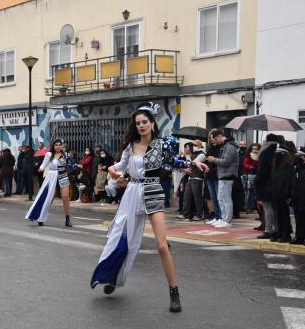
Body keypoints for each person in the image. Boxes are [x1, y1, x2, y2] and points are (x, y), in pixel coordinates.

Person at [90, 103, 208, 313]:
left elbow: (174, 161)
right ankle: (112, 276)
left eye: (145, 122)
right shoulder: (130, 146)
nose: (141, 126)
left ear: (152, 123)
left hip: (152, 191)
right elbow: (119, 167)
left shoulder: (163, 144)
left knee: (162, 245)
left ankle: (174, 292)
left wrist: (193, 164)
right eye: (138, 123)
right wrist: (112, 171)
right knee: (121, 238)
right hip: (131, 193)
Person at [25, 138, 76, 227]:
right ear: (53, 146)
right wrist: (40, 168)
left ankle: (67, 219)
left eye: (60, 145)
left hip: (63, 175)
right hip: (52, 176)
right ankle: (40, 217)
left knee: (65, 197)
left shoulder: (66, 155)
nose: (58, 146)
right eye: (56, 145)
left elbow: (72, 164)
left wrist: (74, 166)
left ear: (62, 146)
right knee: (49, 198)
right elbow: (44, 165)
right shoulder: (49, 154)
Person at [206, 129, 239, 228]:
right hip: (223, 176)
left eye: (216, 139)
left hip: (227, 176)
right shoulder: (226, 146)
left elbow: (226, 162)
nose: (215, 141)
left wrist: (214, 159)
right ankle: (223, 219)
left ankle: (227, 220)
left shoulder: (230, 146)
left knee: (226, 199)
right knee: (221, 198)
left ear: (220, 136)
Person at [255, 134, 284, 239]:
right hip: (275, 182)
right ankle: (276, 229)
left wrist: (256, 181)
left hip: (265, 184)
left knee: (267, 207)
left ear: (267, 141)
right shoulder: (278, 151)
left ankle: (268, 230)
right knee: (274, 208)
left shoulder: (266, 152)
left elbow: (262, 170)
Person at [270, 145, 293, 243]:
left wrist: (287, 193)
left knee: (284, 215)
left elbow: (288, 181)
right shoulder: (276, 165)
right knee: (279, 214)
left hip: (283, 193)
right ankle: (280, 232)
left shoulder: (288, 165)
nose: (276, 155)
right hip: (276, 192)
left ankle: (286, 234)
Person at [290, 147, 305, 245]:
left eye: (301, 156)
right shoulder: (297, 167)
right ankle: (299, 237)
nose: (299, 158)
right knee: (298, 218)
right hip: (297, 196)